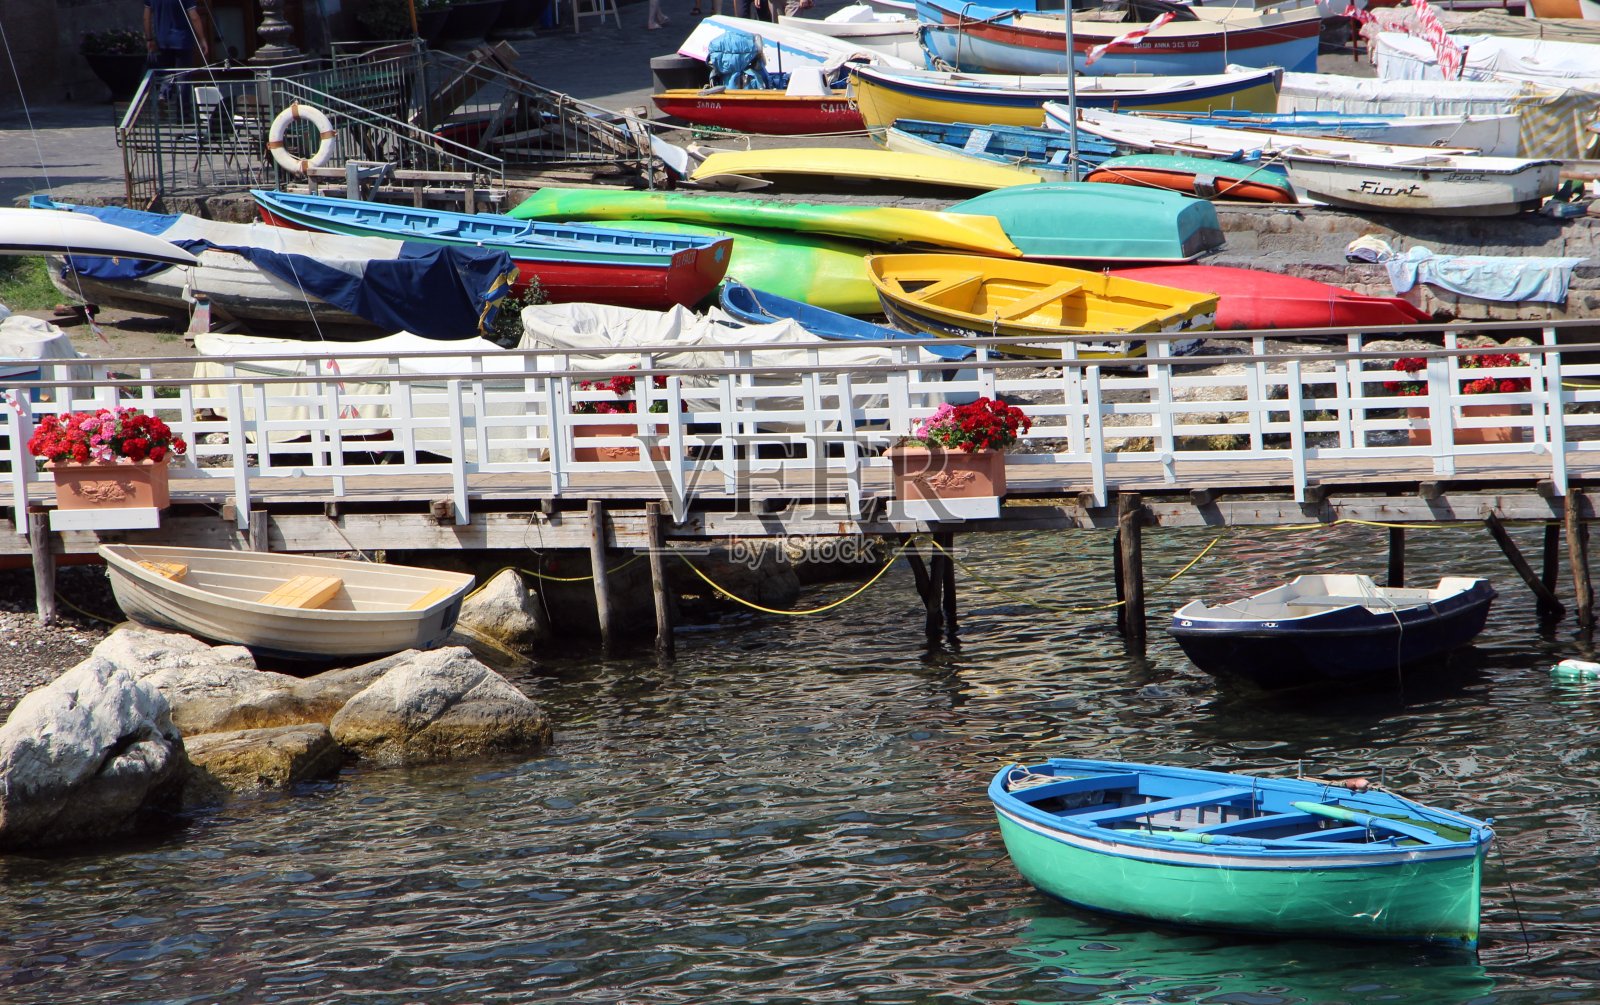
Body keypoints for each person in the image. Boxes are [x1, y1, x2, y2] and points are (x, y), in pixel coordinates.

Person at [144, 0, 211, 70]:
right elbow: (194, 18)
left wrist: (149, 39)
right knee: (183, 73)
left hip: (162, 41)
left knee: (167, 74)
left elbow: (146, 18)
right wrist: (202, 39)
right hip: (182, 40)